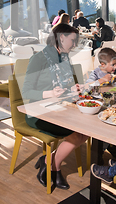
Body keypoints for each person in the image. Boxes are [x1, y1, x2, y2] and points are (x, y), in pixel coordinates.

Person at [22, 23, 88, 190]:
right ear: (61, 38)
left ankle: (47, 160)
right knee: (75, 135)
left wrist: (73, 88)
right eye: (72, 41)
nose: (74, 45)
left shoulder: (64, 57)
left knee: (86, 132)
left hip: (60, 107)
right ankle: (55, 168)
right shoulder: (38, 59)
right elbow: (27, 91)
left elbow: (65, 84)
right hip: (38, 112)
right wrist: (49, 93)